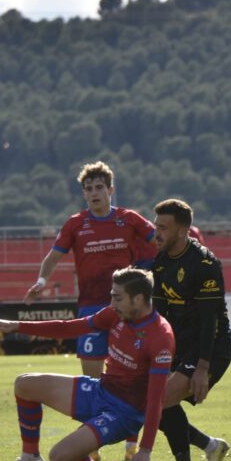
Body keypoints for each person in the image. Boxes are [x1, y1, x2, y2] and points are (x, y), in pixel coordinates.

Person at [0, 268, 174, 461]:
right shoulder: (115, 314)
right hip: (100, 391)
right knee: (24, 384)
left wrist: (145, 448)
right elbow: (69, 327)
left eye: (117, 298)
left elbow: (155, 399)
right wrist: (17, 325)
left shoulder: (161, 337)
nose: (112, 303)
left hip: (123, 414)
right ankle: (30, 457)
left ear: (138, 299)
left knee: (59, 458)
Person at [25, 162, 155, 384]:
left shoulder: (130, 218)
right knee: (91, 376)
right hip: (91, 306)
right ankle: (97, 407)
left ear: (110, 190)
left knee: (134, 372)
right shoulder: (75, 224)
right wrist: (41, 281)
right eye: (89, 188)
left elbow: (161, 242)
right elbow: (53, 257)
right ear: (84, 194)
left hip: (128, 306)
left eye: (99, 187)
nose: (94, 192)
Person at [150, 199, 231, 461]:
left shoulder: (204, 264)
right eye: (156, 226)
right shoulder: (161, 262)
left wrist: (202, 368)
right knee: (153, 404)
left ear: (183, 230)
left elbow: (210, 322)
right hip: (179, 345)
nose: (157, 233)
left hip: (209, 348)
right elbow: (159, 316)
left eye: (163, 227)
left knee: (159, 402)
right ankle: (210, 447)